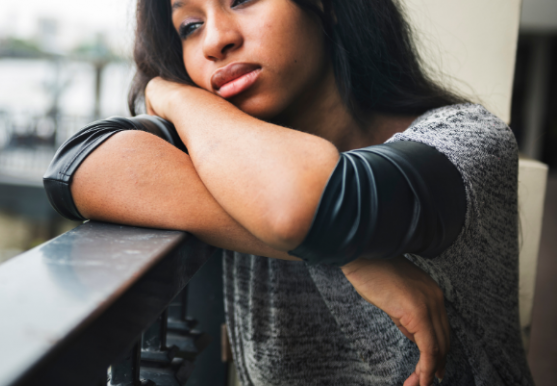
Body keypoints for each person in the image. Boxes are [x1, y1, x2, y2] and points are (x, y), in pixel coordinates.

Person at [42, 0, 534, 385]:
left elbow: (301, 207)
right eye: (189, 26)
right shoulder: (229, 155)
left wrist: (170, 95)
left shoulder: (467, 140)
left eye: (244, 0)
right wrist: (173, 92)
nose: (216, 40)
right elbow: (77, 166)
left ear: (327, 5)